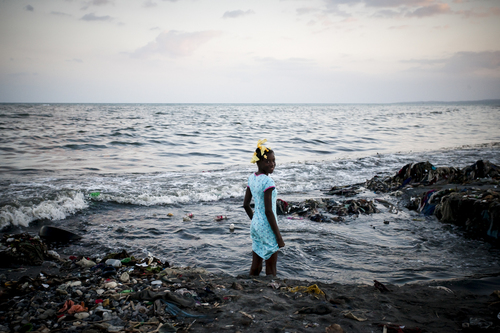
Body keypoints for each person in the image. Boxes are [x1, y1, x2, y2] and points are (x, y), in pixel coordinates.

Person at [243, 139, 285, 276]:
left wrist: (255, 220)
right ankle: (271, 290)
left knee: (256, 261)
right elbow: (268, 211)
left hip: (255, 224)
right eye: (268, 161)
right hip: (267, 225)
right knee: (271, 267)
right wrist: (278, 237)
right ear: (258, 162)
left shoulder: (252, 178)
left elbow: (246, 205)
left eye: (273, 161)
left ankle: (250, 284)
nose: (272, 164)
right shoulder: (268, 181)